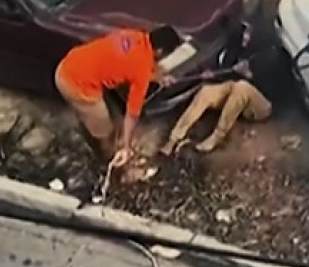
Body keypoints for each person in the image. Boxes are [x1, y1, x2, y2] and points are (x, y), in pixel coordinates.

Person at [55, 26, 181, 165]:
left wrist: (155, 76)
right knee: (105, 129)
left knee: (108, 116)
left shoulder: (133, 34)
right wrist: (126, 146)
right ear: (159, 51)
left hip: (68, 64)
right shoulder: (141, 70)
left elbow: (128, 63)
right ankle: (108, 160)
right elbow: (132, 114)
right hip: (74, 85)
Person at [159, 22, 273, 155]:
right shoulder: (234, 50)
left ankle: (217, 137)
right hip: (236, 97)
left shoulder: (266, 54)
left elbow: (270, 86)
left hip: (261, 106)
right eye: (244, 34)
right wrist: (211, 74)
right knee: (206, 91)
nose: (246, 38)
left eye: (249, 34)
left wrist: (249, 74)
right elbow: (226, 77)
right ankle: (173, 139)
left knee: (242, 86)